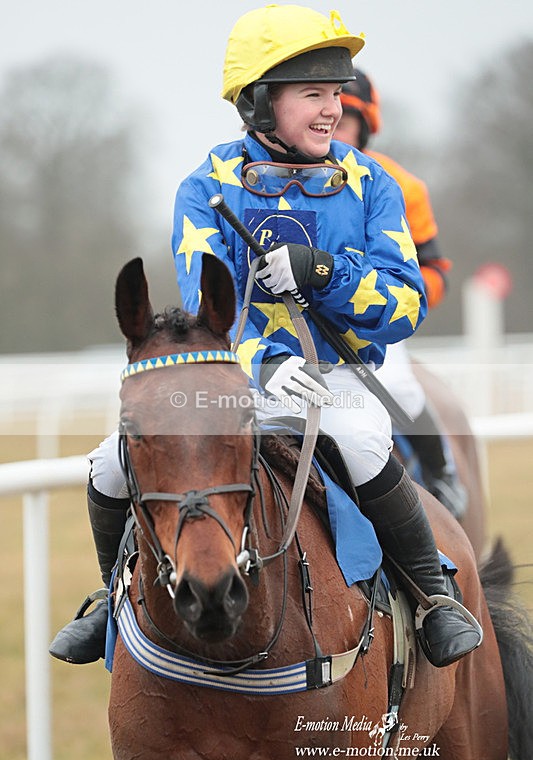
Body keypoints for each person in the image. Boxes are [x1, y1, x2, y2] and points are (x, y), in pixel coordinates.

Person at [49, 4, 481, 669]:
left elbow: (404, 304)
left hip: (336, 375)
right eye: (313, 94)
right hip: (232, 377)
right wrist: (262, 364)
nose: (332, 109)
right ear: (256, 103)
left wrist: (325, 272)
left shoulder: (371, 183)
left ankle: (432, 598)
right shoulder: (207, 186)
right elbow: (201, 307)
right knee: (110, 461)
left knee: (364, 440)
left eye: (335, 93)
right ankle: (112, 596)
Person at [334, 68, 467, 519]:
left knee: (397, 388)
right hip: (295, 325)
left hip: (377, 321)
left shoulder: (402, 186)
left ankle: (442, 473)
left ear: (365, 127)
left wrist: (395, 303)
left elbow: (435, 270)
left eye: (344, 120)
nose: (332, 127)